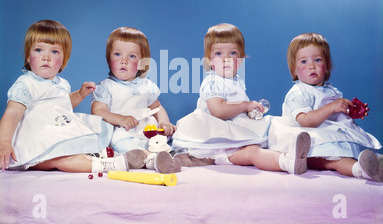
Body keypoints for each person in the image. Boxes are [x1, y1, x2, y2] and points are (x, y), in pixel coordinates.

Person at [172, 23, 310, 174]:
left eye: (232, 53)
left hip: (233, 137)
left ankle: (289, 158)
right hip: (216, 141)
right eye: (218, 53)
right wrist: (245, 105)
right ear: (209, 60)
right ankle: (286, 158)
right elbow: (218, 110)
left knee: (262, 139)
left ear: (241, 59)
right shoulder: (212, 82)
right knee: (253, 152)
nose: (226, 59)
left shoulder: (236, 82)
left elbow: (237, 110)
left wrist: (251, 112)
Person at [0, 20, 128, 173]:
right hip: (35, 140)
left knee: (86, 138)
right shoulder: (26, 84)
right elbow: (12, 113)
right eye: (39, 50)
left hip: (56, 132)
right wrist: (4, 141)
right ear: (28, 56)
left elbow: (63, 105)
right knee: (59, 160)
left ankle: (102, 158)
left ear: (63, 60)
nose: (46, 57)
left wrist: (80, 94)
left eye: (54, 52)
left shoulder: (61, 83)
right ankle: (106, 165)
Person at [268, 33, 383, 182]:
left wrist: (350, 111)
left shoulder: (331, 91)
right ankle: (361, 171)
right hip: (313, 142)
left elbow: (336, 116)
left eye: (317, 60)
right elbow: (305, 120)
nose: (311, 65)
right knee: (337, 160)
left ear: (327, 66)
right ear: (294, 70)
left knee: (354, 153)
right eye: (304, 61)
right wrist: (331, 107)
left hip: (333, 134)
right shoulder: (298, 93)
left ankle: (374, 165)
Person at [91, 27, 181, 173]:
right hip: (123, 132)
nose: (124, 61)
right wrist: (120, 119)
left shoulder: (147, 85)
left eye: (131, 56)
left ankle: (169, 155)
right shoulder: (106, 87)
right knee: (125, 146)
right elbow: (98, 111)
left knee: (169, 140)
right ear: (109, 59)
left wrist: (163, 121)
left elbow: (157, 108)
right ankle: (151, 159)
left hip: (147, 130)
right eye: (117, 54)